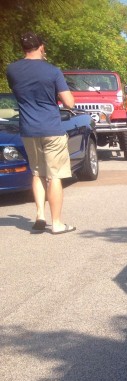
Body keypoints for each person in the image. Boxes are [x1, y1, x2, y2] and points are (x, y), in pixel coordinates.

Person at [6, 32, 76, 234]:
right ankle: (57, 223)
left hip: (28, 129)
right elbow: (69, 102)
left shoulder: (12, 70)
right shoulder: (52, 71)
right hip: (51, 129)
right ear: (42, 47)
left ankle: (40, 216)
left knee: (37, 172)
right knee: (55, 176)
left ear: (23, 48)